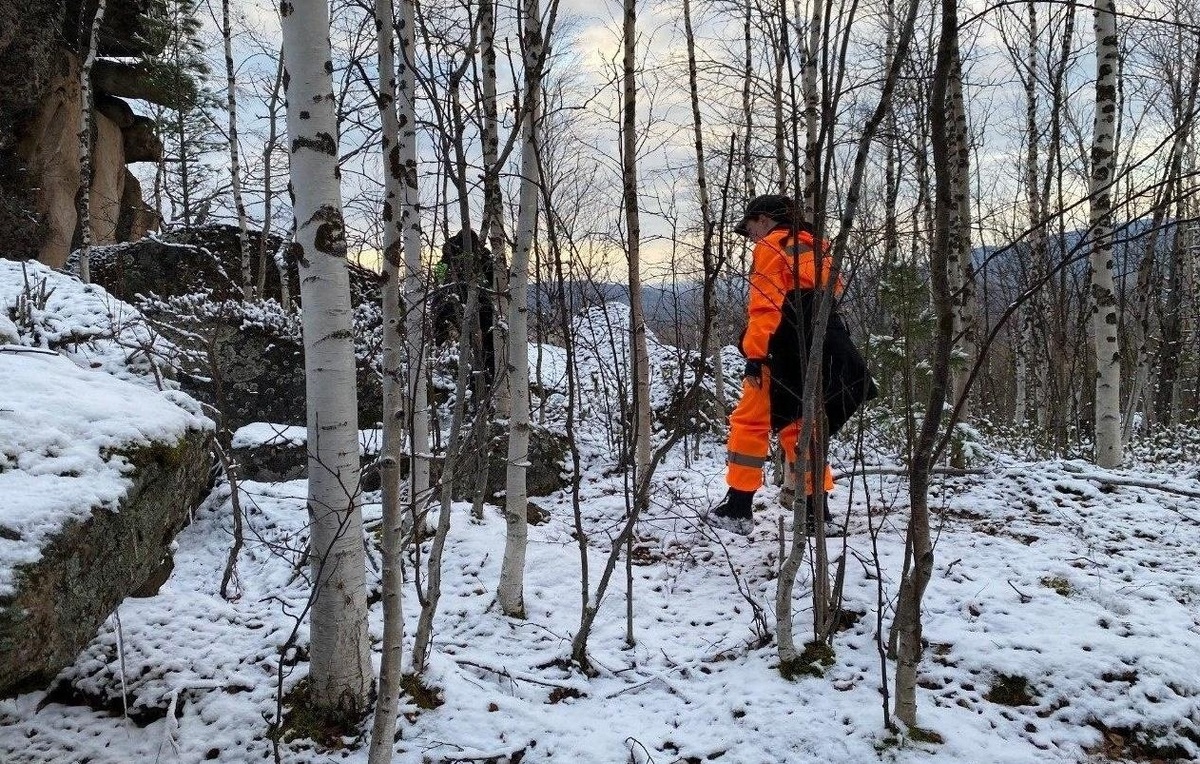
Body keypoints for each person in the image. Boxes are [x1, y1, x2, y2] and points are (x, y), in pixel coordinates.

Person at [709, 194, 877, 536]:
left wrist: (755, 355)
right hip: (821, 348)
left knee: (749, 422)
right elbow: (829, 296)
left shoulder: (771, 246)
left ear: (764, 219)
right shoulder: (818, 247)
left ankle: (737, 509)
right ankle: (817, 514)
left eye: (750, 228)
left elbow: (765, 307)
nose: (751, 237)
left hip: (779, 348)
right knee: (803, 426)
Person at [431, 228, 496, 384]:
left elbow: (437, 285)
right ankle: (484, 382)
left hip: (453, 312)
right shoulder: (482, 257)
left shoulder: (445, 260)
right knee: (487, 352)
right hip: (478, 311)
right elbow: (496, 281)